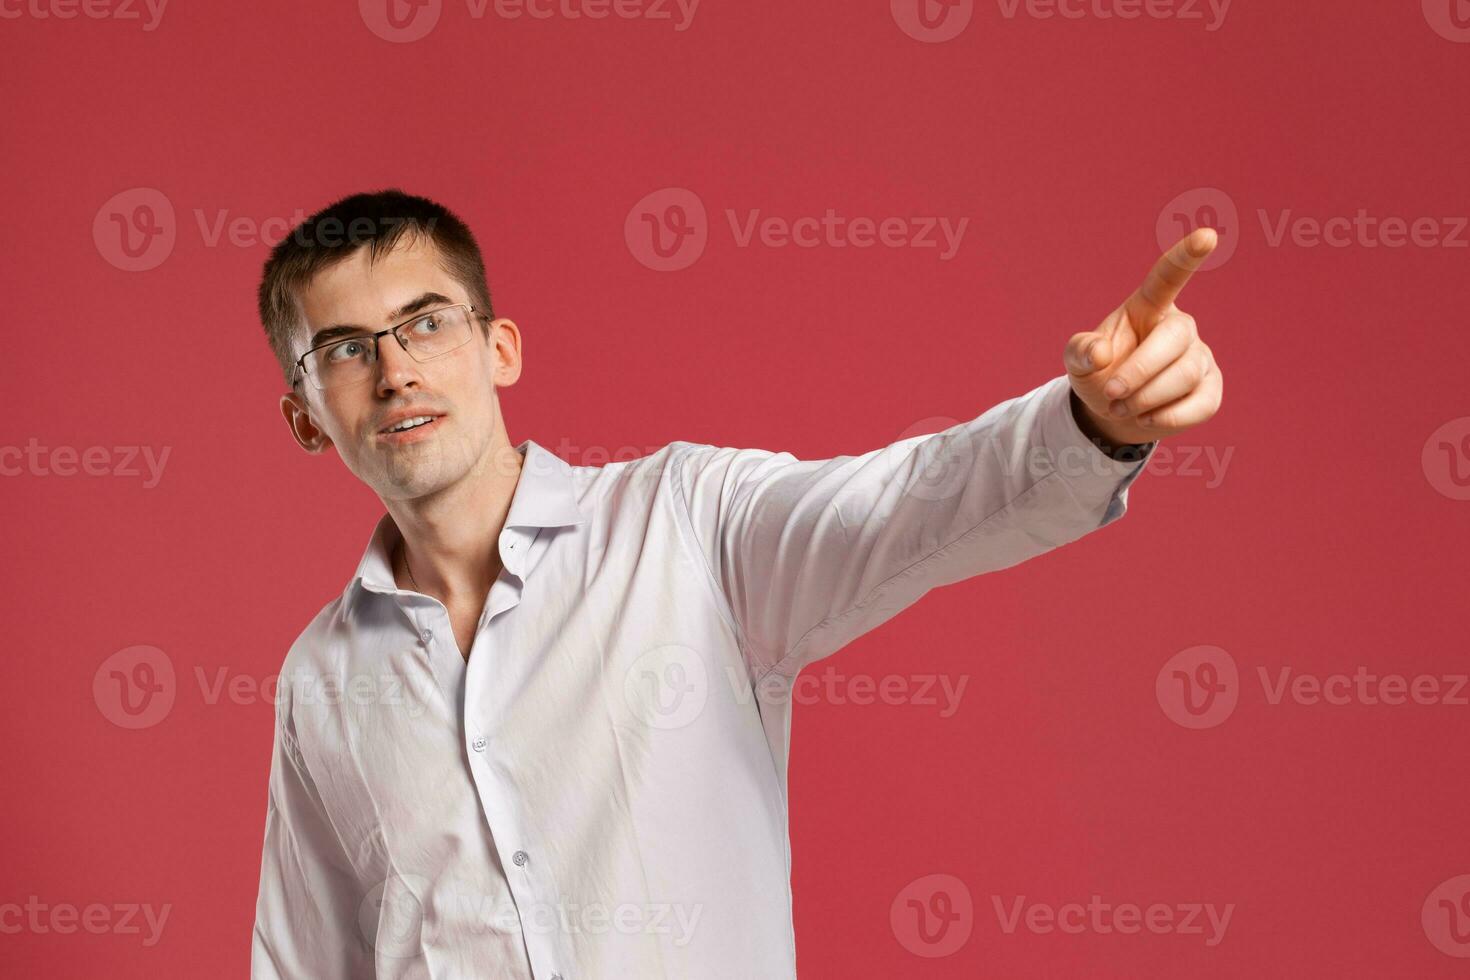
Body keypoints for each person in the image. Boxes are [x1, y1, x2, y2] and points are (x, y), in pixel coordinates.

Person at [250, 188, 1222, 978]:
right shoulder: (319, 679)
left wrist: (1091, 424)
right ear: (304, 418)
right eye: (344, 348)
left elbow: (909, 504)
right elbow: (306, 961)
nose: (394, 372)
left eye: (425, 324)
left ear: (499, 348)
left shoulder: (685, 522)